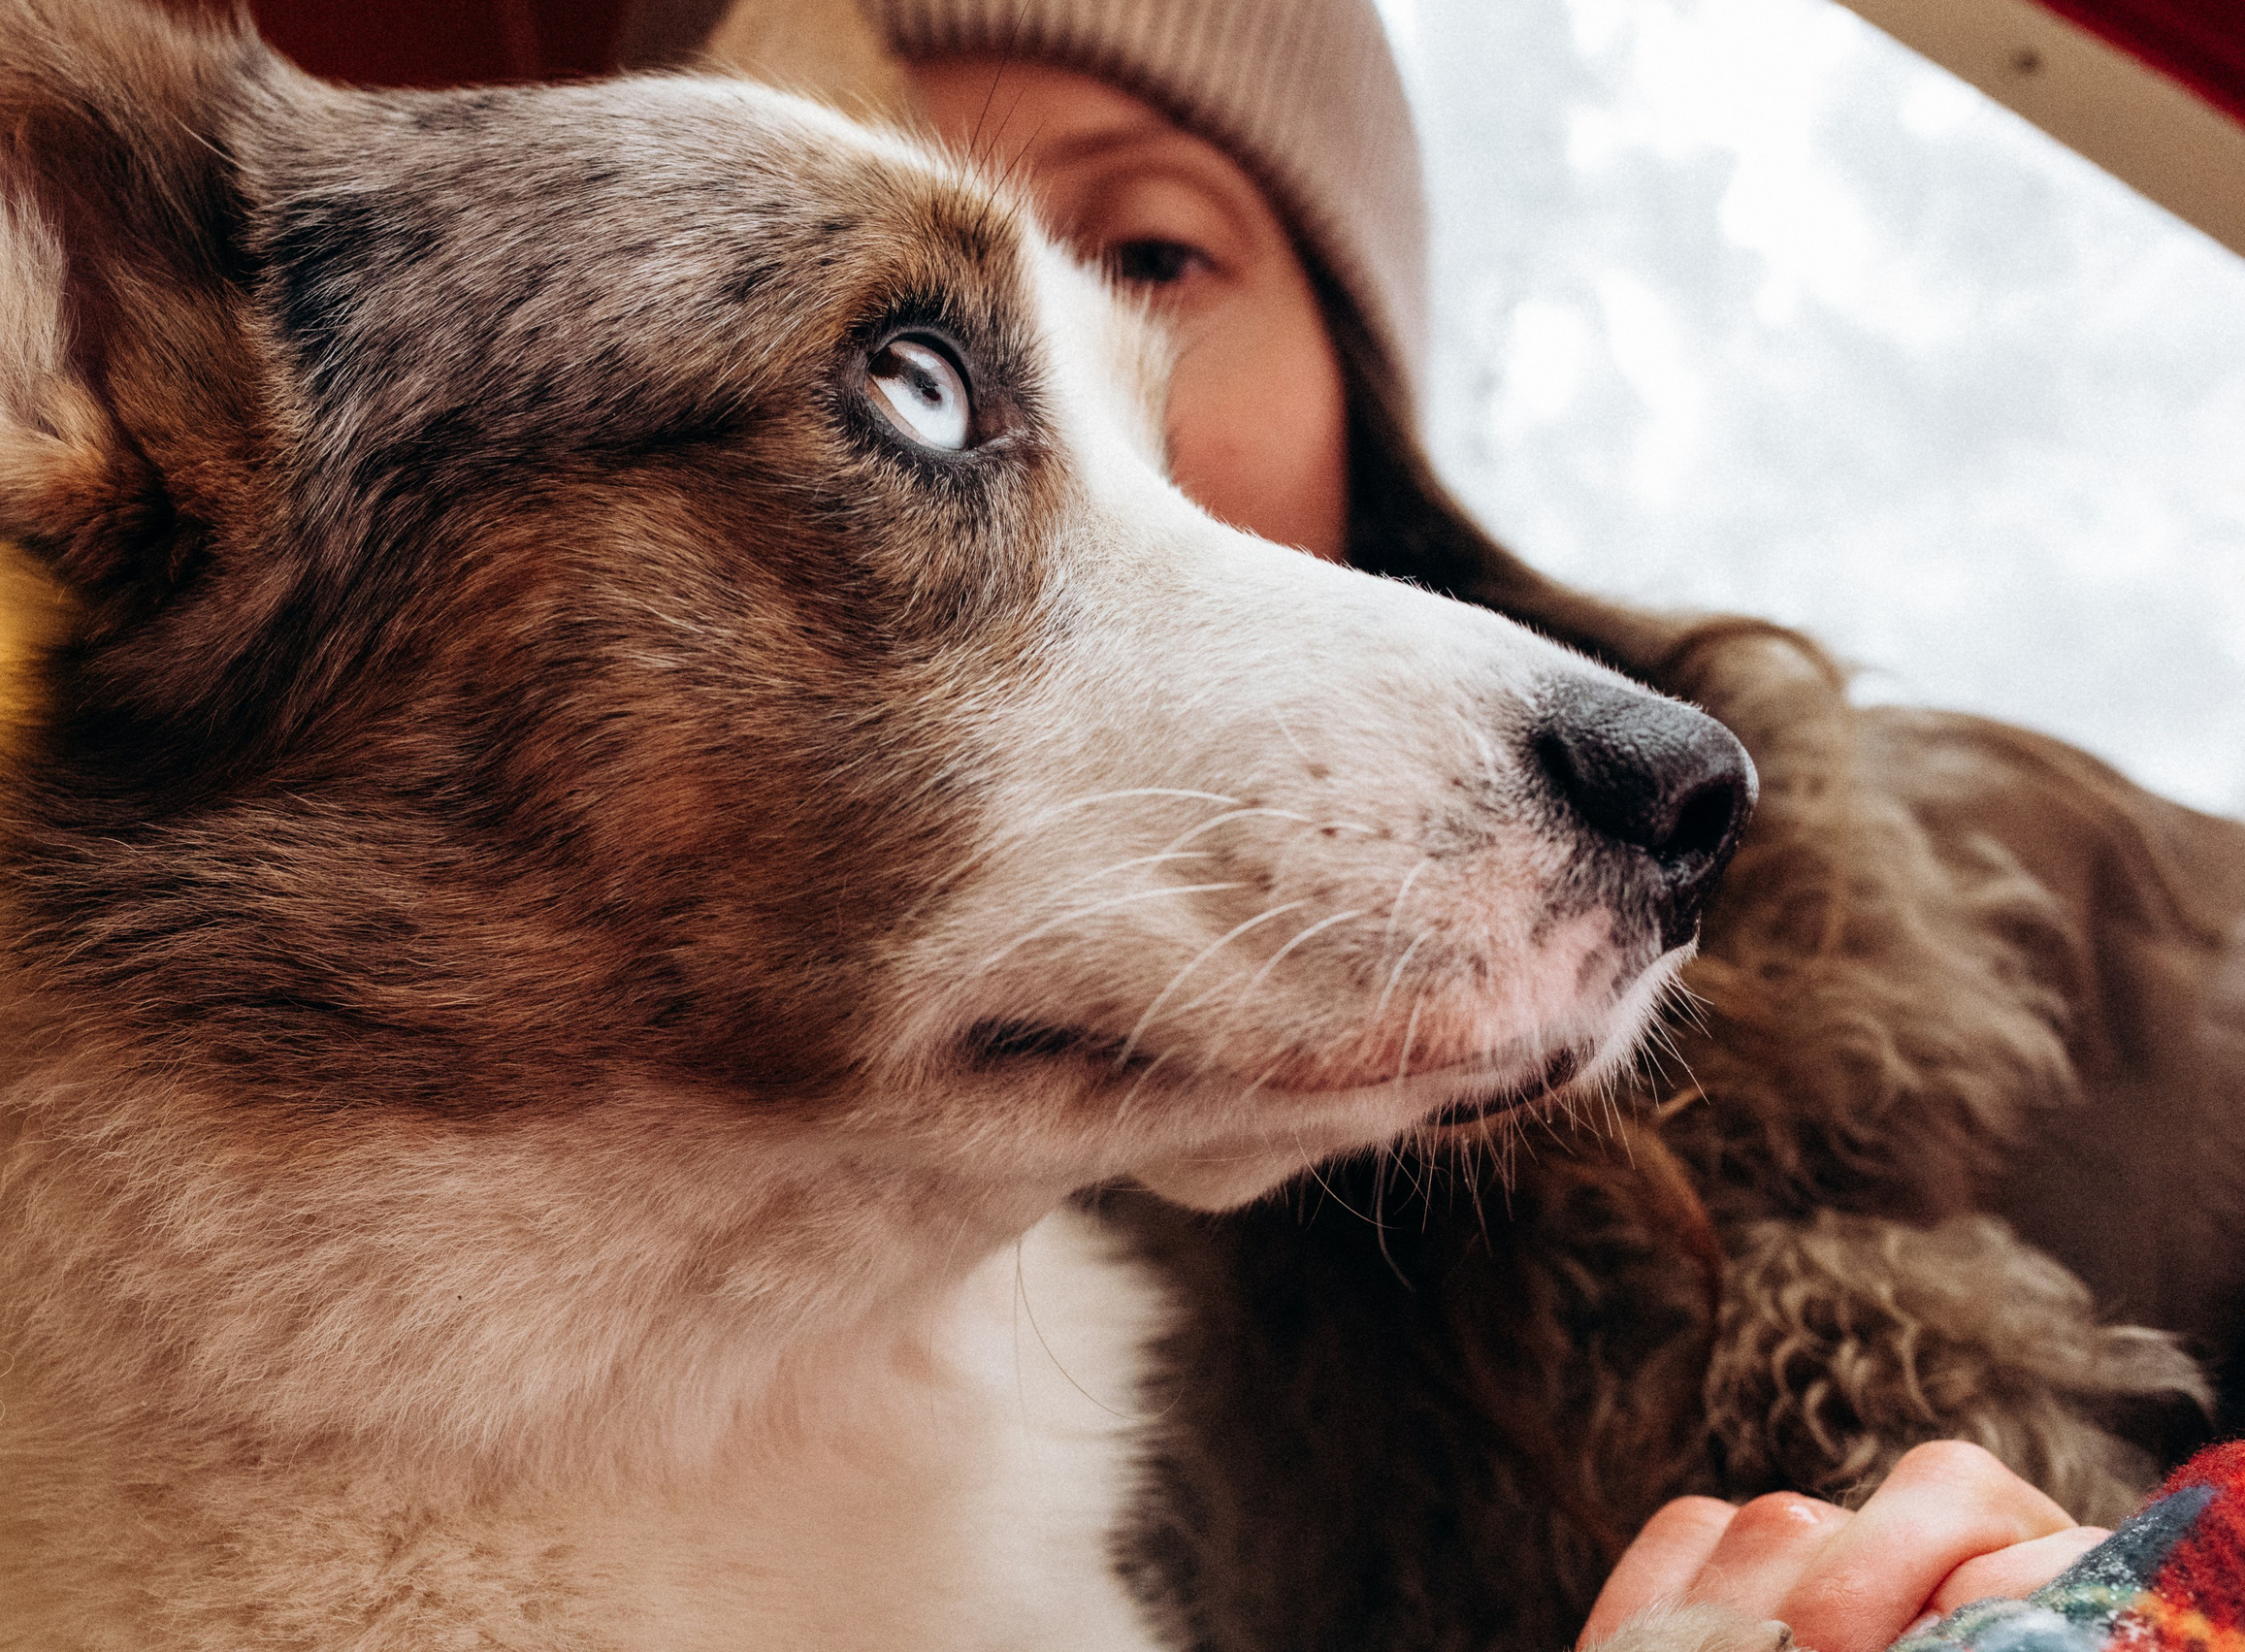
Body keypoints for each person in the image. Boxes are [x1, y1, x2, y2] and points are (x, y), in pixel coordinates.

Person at [660, 1, 2245, 1645]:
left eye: (1142, 252)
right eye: (919, 374)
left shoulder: (1999, 894)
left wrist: (2154, 1605)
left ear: (1355, 378)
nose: (1062, 357)